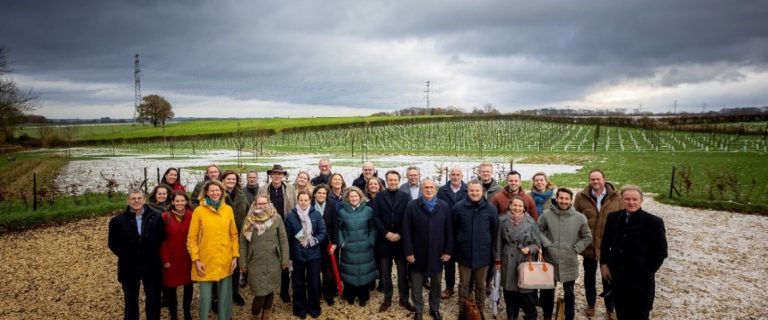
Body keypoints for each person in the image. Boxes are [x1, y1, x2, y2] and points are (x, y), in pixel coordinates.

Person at [600, 185, 668, 320]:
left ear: (641, 200)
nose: (631, 202)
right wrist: (604, 263)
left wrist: (647, 270)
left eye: (635, 199)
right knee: (621, 312)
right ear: (622, 200)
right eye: (627, 199)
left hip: (640, 282)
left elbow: (661, 251)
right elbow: (606, 242)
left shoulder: (653, 222)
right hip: (618, 278)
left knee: (639, 314)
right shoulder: (613, 217)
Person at [108, 189, 165, 320]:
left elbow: (161, 237)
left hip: (151, 264)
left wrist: (150, 252)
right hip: (129, 265)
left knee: (153, 298)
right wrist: (127, 255)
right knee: (130, 299)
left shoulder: (156, 217)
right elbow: (113, 243)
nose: (136, 201)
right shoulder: (117, 221)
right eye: (133, 198)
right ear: (128, 201)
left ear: (144, 200)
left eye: (139, 198)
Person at [574, 169, 623, 319]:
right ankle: (591, 304)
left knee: (608, 277)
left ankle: (610, 307)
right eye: (592, 179)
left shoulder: (617, 198)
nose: (595, 182)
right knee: (589, 276)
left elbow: (622, 220)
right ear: (589, 180)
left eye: (598, 179)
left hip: (608, 246)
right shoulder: (581, 197)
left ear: (604, 179)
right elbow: (575, 219)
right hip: (589, 245)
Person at [187, 180, 239, 320]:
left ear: (222, 192)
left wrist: (235, 256)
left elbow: (233, 235)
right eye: (212, 190)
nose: (215, 193)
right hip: (205, 260)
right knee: (205, 298)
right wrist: (196, 260)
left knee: (224, 296)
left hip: (225, 259)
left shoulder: (227, 209)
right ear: (206, 192)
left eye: (218, 190)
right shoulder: (199, 211)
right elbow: (191, 239)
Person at [403, 178, 453, 320]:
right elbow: (406, 231)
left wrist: (448, 250)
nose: (429, 190)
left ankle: (434, 308)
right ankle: (418, 310)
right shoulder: (412, 206)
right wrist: (408, 251)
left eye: (432, 187)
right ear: (421, 189)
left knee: (436, 283)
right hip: (417, 253)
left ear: (436, 189)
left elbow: (449, 230)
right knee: (416, 284)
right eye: (426, 187)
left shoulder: (443, 206)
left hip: (437, 253)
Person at [538, 188, 592, 320]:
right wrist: (547, 244)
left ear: (571, 200)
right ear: (556, 198)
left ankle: (569, 316)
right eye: (561, 198)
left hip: (569, 259)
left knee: (569, 292)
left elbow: (587, 237)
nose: (564, 201)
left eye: (567, 199)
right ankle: (547, 316)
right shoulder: (546, 214)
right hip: (551, 259)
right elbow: (537, 230)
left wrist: (576, 249)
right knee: (548, 291)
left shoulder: (579, 217)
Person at [452, 180, 499, 318]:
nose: (475, 193)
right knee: (463, 285)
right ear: (467, 191)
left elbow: (494, 231)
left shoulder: (490, 208)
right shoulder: (458, 207)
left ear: (482, 191)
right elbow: (454, 229)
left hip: (483, 254)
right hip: (464, 254)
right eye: (472, 190)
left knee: (481, 285)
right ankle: (463, 310)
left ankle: (479, 310)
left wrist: (492, 253)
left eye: (477, 191)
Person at [239, 195, 290, 320]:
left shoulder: (276, 218)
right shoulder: (249, 219)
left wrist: (285, 259)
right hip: (255, 260)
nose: (262, 205)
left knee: (271, 288)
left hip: (273, 259)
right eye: (259, 203)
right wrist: (243, 263)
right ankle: (255, 315)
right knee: (259, 291)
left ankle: (266, 313)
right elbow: (243, 243)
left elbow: (283, 240)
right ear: (254, 205)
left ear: (269, 203)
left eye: (264, 203)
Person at [372, 170, 416, 313]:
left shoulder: (405, 196)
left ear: (399, 180)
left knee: (403, 273)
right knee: (385, 272)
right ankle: (387, 298)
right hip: (384, 241)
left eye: (395, 180)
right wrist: (386, 233)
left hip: (400, 242)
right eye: (390, 180)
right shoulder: (379, 196)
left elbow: (409, 218)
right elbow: (376, 217)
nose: (392, 182)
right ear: (386, 181)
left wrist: (400, 234)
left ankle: (404, 299)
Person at [495, 196, 541, 320]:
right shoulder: (502, 220)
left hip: (525, 259)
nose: (517, 208)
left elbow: (538, 244)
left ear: (524, 208)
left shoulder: (531, 222)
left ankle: (531, 315)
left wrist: (529, 249)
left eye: (520, 206)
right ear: (510, 206)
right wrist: (498, 260)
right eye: (515, 205)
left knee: (526, 291)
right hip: (507, 257)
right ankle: (511, 315)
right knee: (509, 290)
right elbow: (498, 242)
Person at [257, 164, 297, 303]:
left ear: (283, 175)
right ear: (270, 175)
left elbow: (296, 206)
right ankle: (268, 289)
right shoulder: (263, 189)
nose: (277, 176)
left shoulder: (290, 188)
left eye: (280, 174)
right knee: (270, 257)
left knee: (285, 257)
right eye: (274, 173)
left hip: (286, 227)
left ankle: (284, 290)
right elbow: (258, 207)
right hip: (269, 228)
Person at [285, 191, 327, 319]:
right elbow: (288, 237)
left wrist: (311, 241)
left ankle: (314, 307)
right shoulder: (291, 217)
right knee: (298, 283)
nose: (303, 203)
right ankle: (299, 308)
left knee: (314, 282)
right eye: (301, 200)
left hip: (314, 254)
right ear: (297, 201)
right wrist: (289, 256)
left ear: (310, 201)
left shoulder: (317, 215)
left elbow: (323, 233)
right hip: (297, 255)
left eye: (306, 200)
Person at [337, 186, 377, 306]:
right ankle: (350, 295)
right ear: (347, 198)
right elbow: (339, 229)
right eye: (351, 196)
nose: (354, 198)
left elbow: (373, 228)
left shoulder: (368, 210)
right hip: (348, 248)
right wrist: (342, 242)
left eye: (356, 196)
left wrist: (371, 241)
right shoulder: (342, 212)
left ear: (360, 197)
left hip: (365, 247)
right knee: (349, 272)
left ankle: (363, 297)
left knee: (364, 272)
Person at [160, 191, 194, 320]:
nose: (180, 203)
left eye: (182, 201)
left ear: (186, 201)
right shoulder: (165, 217)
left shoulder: (192, 215)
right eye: (177, 201)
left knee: (189, 285)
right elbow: (161, 240)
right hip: (171, 258)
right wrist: (165, 259)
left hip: (188, 257)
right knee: (170, 288)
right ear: (173, 202)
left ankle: (187, 312)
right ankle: (173, 314)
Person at [436, 166, 467, 299]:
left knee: (464, 262)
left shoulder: (467, 189)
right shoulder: (442, 190)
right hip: (446, 229)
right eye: (453, 174)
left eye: (457, 174)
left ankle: (465, 287)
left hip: (463, 229)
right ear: (450, 176)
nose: (455, 176)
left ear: (462, 176)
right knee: (448, 261)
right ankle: (449, 287)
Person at [221, 170, 249, 306]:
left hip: (238, 235)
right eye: (228, 179)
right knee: (222, 265)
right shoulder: (218, 194)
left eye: (233, 179)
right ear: (223, 179)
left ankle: (235, 291)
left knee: (236, 265)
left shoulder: (241, 195)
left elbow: (248, 212)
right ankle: (218, 295)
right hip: (222, 236)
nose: (231, 181)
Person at [312, 184, 340, 305]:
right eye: (319, 193)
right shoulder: (310, 206)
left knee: (328, 271)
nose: (321, 195)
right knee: (314, 270)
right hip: (314, 243)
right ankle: (316, 294)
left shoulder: (332, 205)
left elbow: (336, 225)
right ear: (314, 194)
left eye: (324, 193)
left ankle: (328, 294)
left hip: (328, 244)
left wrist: (335, 243)